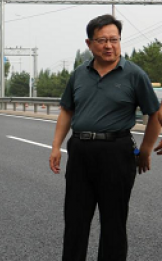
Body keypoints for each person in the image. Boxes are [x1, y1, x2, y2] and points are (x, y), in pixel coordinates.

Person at [49, 14, 161, 261]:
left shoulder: (134, 74)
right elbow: (67, 110)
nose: (109, 45)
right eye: (102, 40)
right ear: (89, 44)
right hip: (80, 151)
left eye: (114, 39)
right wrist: (56, 146)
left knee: (114, 224)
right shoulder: (79, 74)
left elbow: (155, 113)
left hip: (117, 153)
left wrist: (146, 149)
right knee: (75, 221)